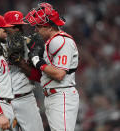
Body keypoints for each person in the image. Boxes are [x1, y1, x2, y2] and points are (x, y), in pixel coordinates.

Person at [25, 2, 79, 131]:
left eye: (38, 26)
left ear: (49, 27)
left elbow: (60, 74)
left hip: (62, 95)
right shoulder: (51, 41)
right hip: (53, 95)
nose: (35, 29)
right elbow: (43, 75)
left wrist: (38, 61)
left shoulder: (61, 41)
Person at [3, 11, 44, 131]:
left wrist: (20, 63)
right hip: (4, 102)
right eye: (14, 27)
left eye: (20, 26)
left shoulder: (30, 44)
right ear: (5, 27)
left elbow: (38, 77)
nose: (18, 30)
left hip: (25, 99)